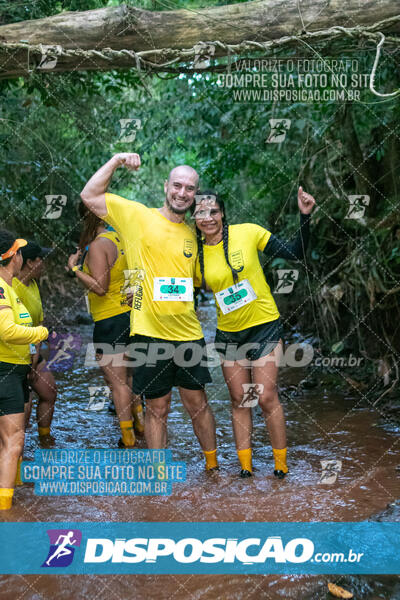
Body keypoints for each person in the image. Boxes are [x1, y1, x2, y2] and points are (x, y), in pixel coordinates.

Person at [80, 154, 218, 471]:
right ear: (165, 186)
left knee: (198, 404)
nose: (183, 192)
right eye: (178, 185)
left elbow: (201, 281)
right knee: (157, 407)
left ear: (195, 195)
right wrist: (115, 161)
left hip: (189, 334)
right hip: (147, 333)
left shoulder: (195, 235)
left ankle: (213, 469)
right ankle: (158, 474)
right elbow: (89, 195)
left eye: (190, 188)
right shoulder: (137, 216)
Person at [193, 187, 315, 478]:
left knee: (266, 397)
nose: (208, 217)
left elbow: (294, 253)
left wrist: (305, 216)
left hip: (264, 326)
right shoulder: (195, 255)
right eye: (200, 212)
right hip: (229, 335)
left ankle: (281, 466)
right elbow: (182, 289)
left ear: (222, 213)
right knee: (239, 399)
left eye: (213, 211)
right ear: (193, 218)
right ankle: (245, 469)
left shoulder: (248, 232)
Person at [66, 202, 144, 447]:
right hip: (131, 316)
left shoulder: (99, 245)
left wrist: (75, 269)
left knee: (117, 382)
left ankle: (128, 437)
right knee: (129, 377)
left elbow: (100, 287)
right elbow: (135, 276)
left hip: (109, 320)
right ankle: (140, 423)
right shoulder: (120, 238)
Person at [0, 230, 48, 509]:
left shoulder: (10, 287)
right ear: (14, 256)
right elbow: (6, 330)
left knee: (9, 440)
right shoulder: (3, 287)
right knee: (13, 440)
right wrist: (39, 332)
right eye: (19, 252)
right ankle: (6, 513)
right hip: (5, 370)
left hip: (13, 370)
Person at [12, 241, 57, 439]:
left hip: (33, 352)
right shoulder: (11, 287)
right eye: (41, 260)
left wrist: (36, 354)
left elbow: (39, 322)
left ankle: (44, 439)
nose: (44, 265)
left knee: (50, 393)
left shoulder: (33, 285)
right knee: (24, 410)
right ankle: (16, 450)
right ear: (30, 262)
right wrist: (31, 357)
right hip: (16, 355)